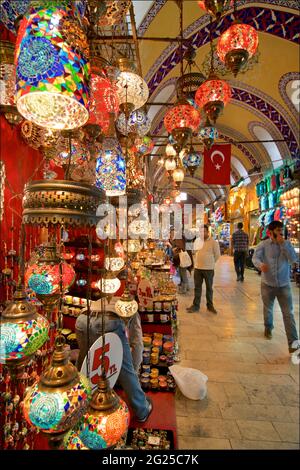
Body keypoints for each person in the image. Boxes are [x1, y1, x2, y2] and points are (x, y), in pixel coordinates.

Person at [75, 298, 153, 422]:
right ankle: (142, 409)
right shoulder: (132, 309)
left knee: (86, 362)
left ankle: (80, 408)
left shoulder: (108, 298)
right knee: (126, 368)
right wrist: (135, 369)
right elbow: (137, 344)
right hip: (108, 323)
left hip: (82, 320)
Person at [252, 220, 299, 354]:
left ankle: (293, 344)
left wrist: (283, 244)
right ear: (271, 232)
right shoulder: (264, 245)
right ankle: (268, 327)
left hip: (284, 285)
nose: (280, 232)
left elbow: (293, 260)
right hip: (267, 284)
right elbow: (255, 258)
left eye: (281, 230)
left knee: (288, 314)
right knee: (268, 309)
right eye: (277, 230)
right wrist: (261, 265)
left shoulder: (287, 244)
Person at [187, 224, 220, 314]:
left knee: (209, 288)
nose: (202, 233)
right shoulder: (197, 241)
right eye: (200, 232)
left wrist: (211, 263)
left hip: (209, 269)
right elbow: (194, 252)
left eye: (204, 231)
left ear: (208, 232)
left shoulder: (213, 242)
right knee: (197, 288)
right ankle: (196, 306)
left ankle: (210, 306)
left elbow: (217, 255)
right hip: (198, 268)